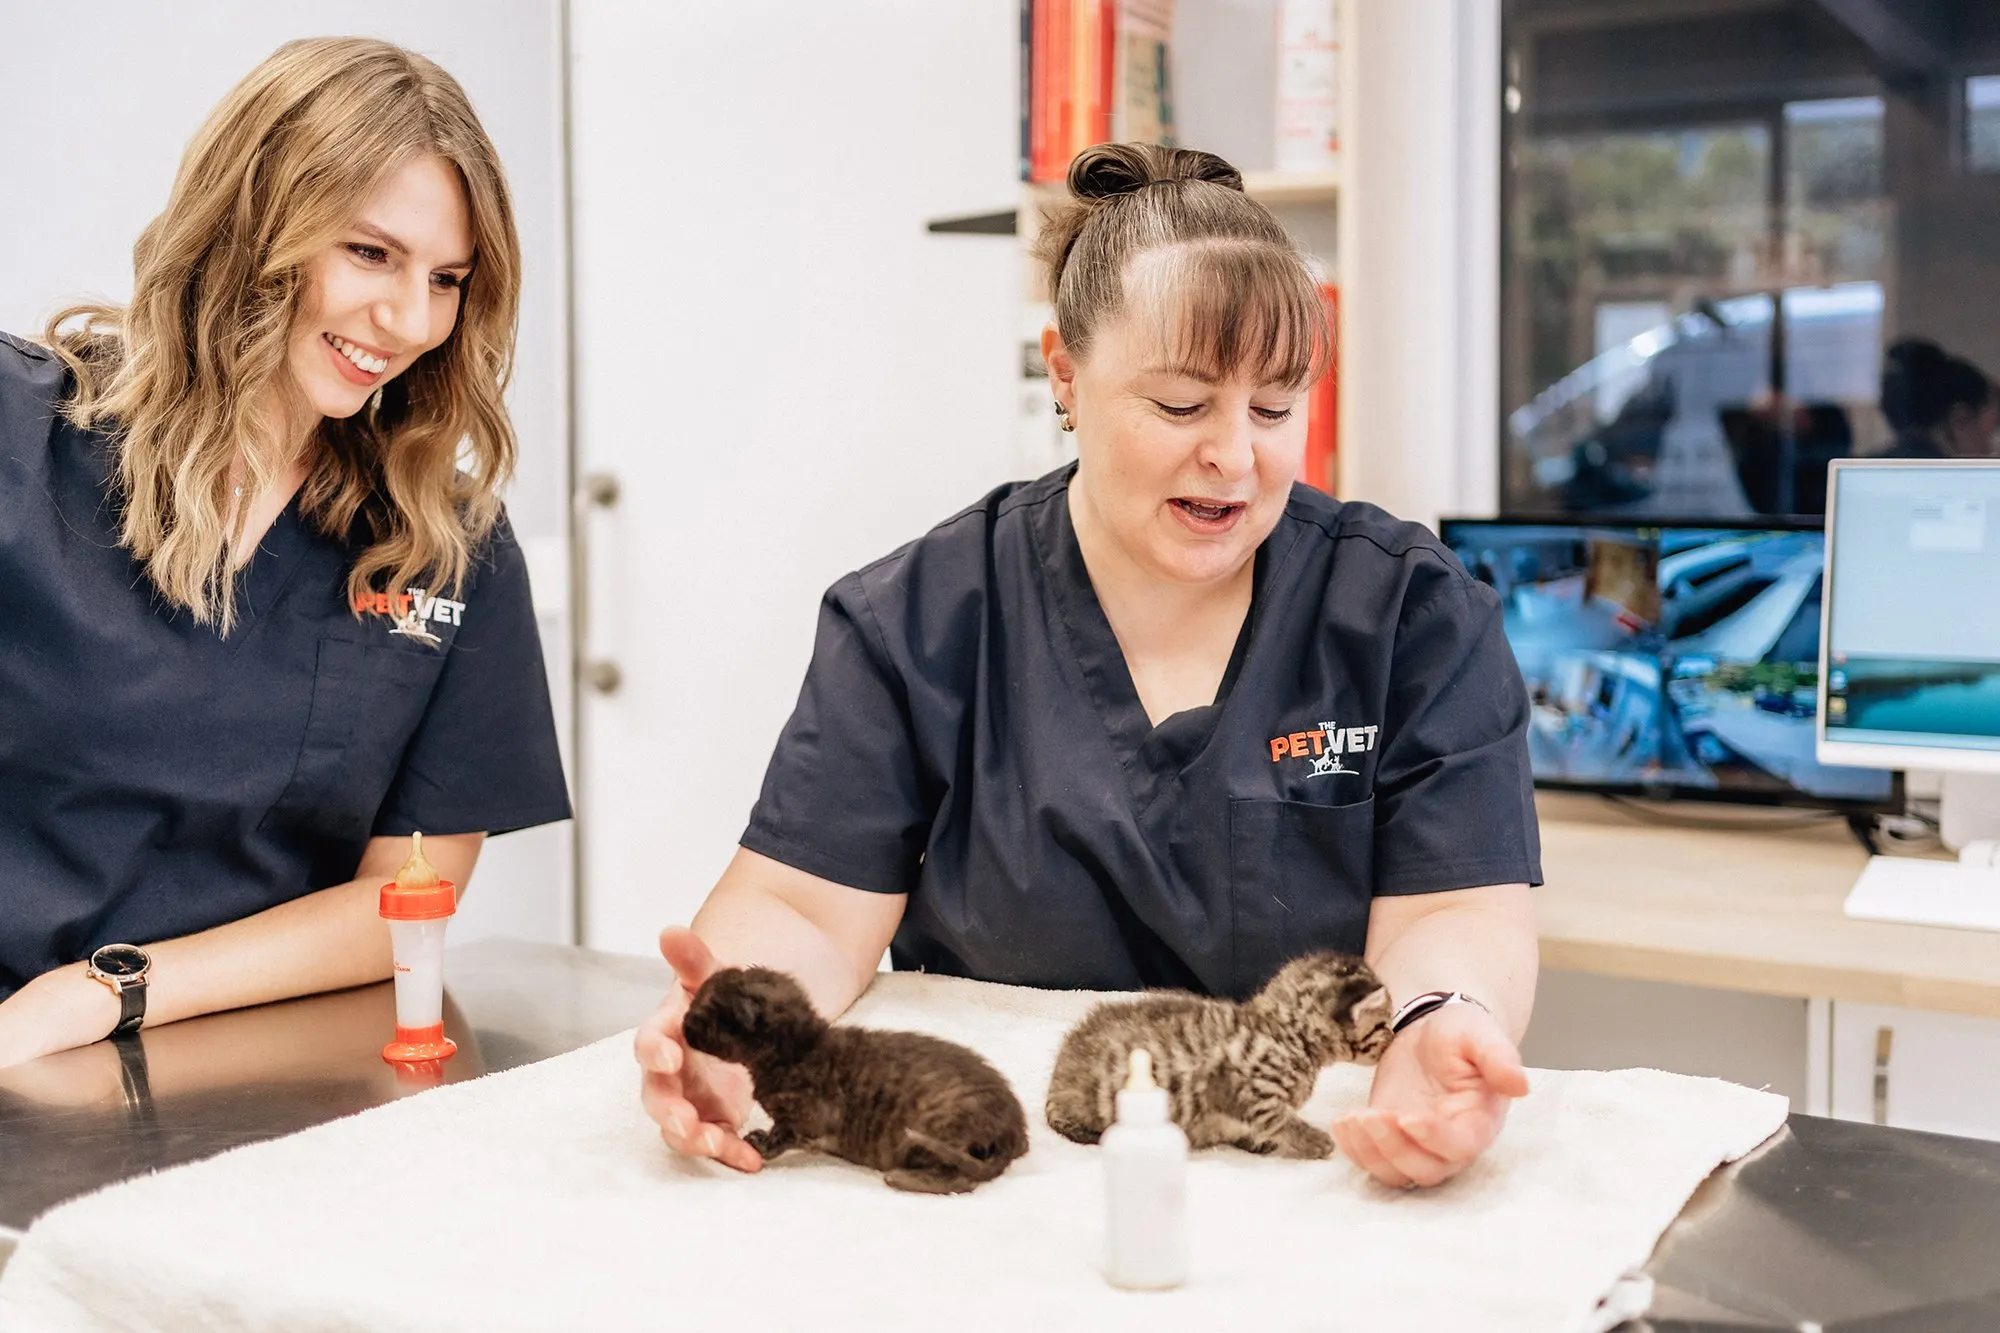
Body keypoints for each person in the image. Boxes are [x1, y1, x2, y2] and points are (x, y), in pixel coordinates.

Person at [635, 143, 1542, 1190]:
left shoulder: (1410, 614)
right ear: (1063, 372)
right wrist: (731, 1042)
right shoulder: (917, 620)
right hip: (996, 1167)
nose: (1235, 457)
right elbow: (802, 909)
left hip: (1310, 1164)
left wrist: (1438, 1021)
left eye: (1274, 406)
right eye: (1179, 405)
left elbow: (1452, 909)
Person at [0, 38, 570, 1068]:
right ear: (250, 221)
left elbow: (398, 904)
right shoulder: (19, 437)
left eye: (446, 280)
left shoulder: (447, 550)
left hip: (246, 1066)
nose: (406, 321)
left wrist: (105, 992)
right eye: (369, 253)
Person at [1880, 337, 1998, 458]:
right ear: (1961, 419)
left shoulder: (1874, 467)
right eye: (1992, 431)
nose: (1993, 446)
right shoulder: (1950, 472)